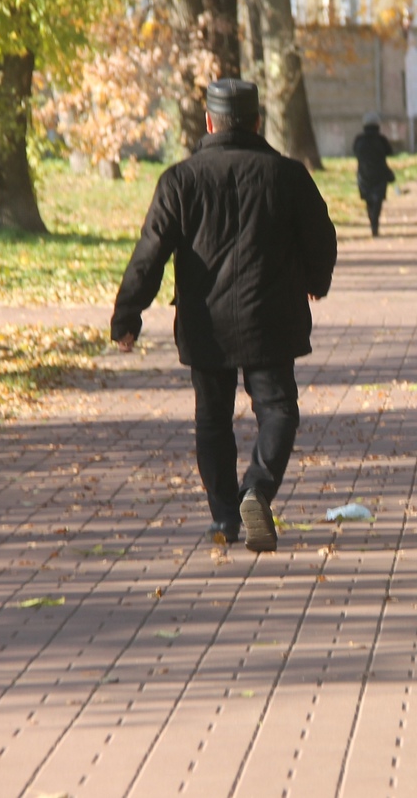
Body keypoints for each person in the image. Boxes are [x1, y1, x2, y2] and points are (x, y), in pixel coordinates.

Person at [110, 79, 337, 553]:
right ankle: (257, 488)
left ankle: (225, 518)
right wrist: (316, 281)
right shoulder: (288, 175)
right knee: (277, 409)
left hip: (204, 321)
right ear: (257, 122)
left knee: (212, 420)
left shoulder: (180, 179)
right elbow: (322, 237)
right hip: (269, 316)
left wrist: (128, 314)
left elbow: (150, 251)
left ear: (210, 123)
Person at [353, 111, 394, 237]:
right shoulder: (381, 140)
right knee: (378, 201)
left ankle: (372, 221)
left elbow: (355, 152)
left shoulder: (359, 140)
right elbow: (390, 152)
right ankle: (375, 224)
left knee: (368, 201)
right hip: (380, 174)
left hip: (364, 175)